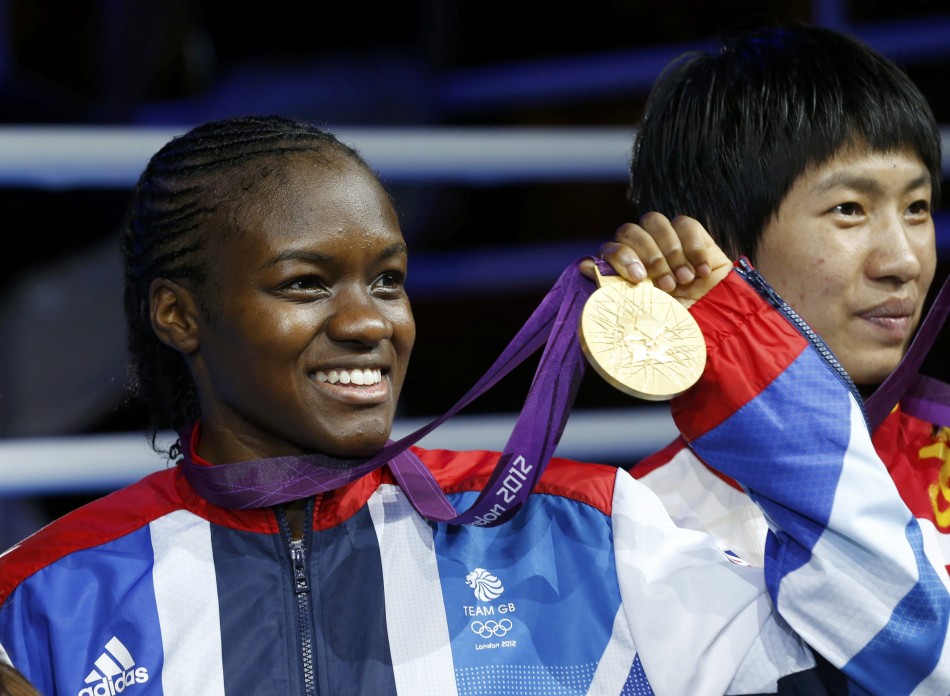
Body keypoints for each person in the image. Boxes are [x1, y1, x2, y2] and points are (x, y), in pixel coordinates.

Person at [0, 115, 946, 695]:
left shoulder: (583, 535)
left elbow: (915, 652)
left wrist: (747, 363)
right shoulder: (42, 595)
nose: (368, 323)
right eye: (304, 285)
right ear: (180, 315)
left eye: (388, 281)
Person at [613, 24, 950, 572]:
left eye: (917, 207)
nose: (904, 262)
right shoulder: (648, 532)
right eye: (849, 209)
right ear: (713, 244)